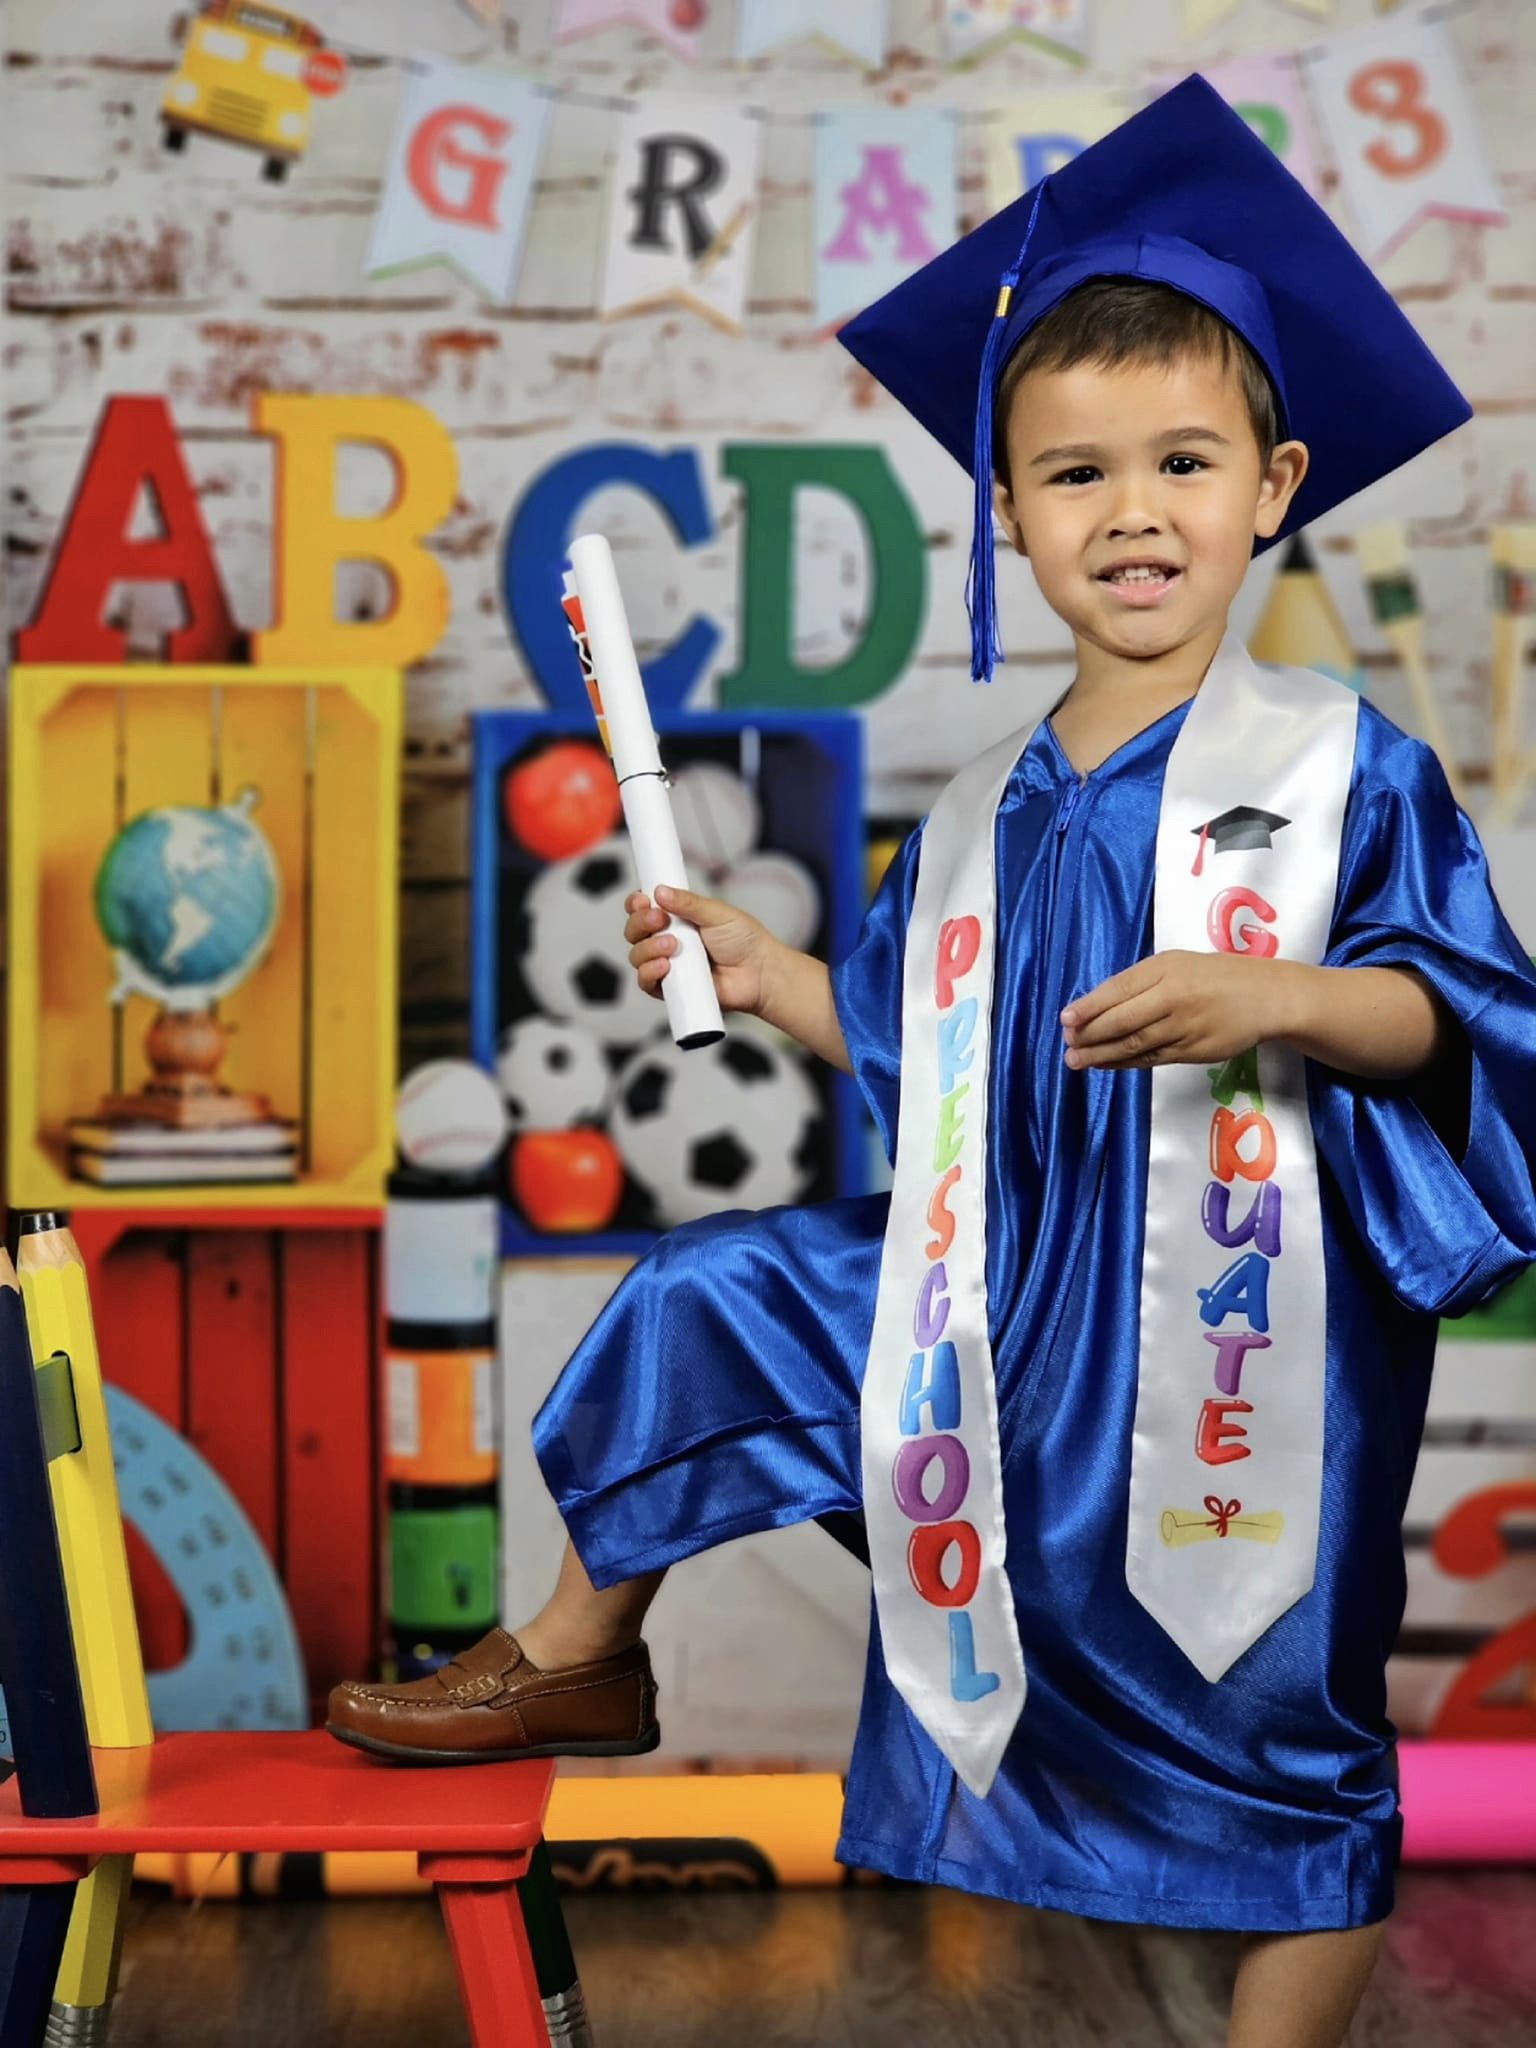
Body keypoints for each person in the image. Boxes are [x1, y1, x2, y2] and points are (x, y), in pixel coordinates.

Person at [328, 76, 1536, 2048]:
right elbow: (912, 1039)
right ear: (1010, 513)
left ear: (1275, 483)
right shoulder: (977, 817)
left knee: (1278, 1752)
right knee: (711, 1292)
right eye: (1076, 476)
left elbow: (1469, 1019)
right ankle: (571, 1654)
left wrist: (1282, 1000)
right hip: (991, 1326)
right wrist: (772, 969)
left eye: (1182, 463)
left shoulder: (1339, 776)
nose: (1133, 511)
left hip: (1232, 1363)